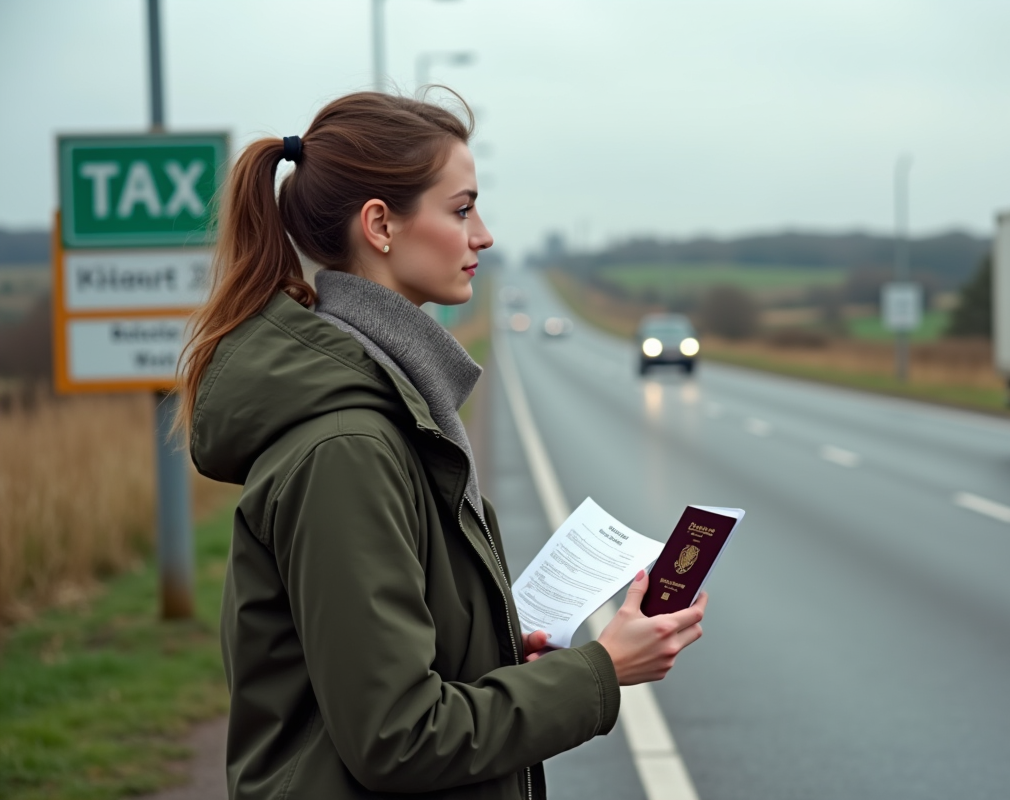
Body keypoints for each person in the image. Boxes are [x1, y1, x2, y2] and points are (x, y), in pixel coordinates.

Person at [175, 91, 707, 800]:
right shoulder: (347, 448)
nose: (483, 235)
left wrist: (491, 654)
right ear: (380, 226)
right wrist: (600, 671)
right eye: (461, 210)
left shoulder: (385, 409)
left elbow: (382, 672)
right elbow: (396, 737)